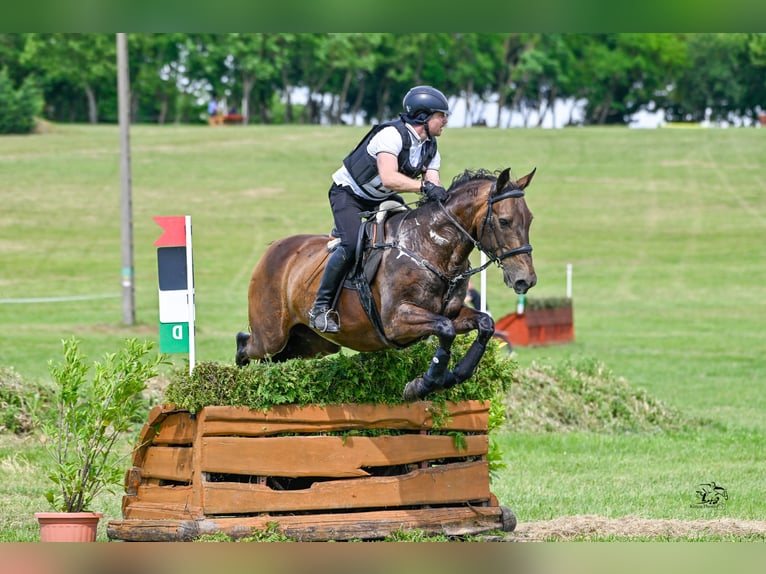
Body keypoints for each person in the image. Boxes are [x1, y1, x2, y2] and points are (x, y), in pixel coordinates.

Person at [308, 85, 451, 333]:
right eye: (441, 115)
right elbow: (389, 178)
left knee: (412, 234)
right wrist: (423, 187)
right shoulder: (391, 136)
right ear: (423, 116)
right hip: (349, 195)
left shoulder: (430, 147)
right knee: (351, 245)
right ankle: (320, 308)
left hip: (380, 198)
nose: (445, 121)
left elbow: (432, 183)